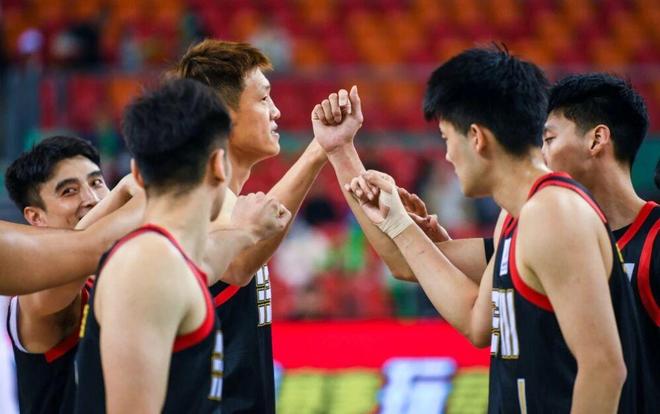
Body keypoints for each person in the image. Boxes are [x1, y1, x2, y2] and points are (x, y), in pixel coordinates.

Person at [316, 48, 640, 413]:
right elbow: (474, 319)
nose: (447, 155)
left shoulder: (553, 215)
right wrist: (344, 155)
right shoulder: (517, 216)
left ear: (476, 137)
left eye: (446, 138)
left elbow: (604, 369)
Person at [75, 78, 291, 413]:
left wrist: (246, 233)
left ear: (138, 174)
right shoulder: (147, 266)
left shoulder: (166, 259)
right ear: (219, 165)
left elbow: (205, 262)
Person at [172, 39, 327, 413]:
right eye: (263, 98)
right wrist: (318, 151)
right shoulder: (192, 201)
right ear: (223, 115)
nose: (276, 111)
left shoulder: (228, 203)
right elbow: (238, 264)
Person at [4, 135, 141, 413]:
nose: (92, 199)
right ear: (36, 217)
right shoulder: (37, 295)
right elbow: (92, 245)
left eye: (97, 183)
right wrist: (135, 193)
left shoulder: (125, 268)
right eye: (69, 191)